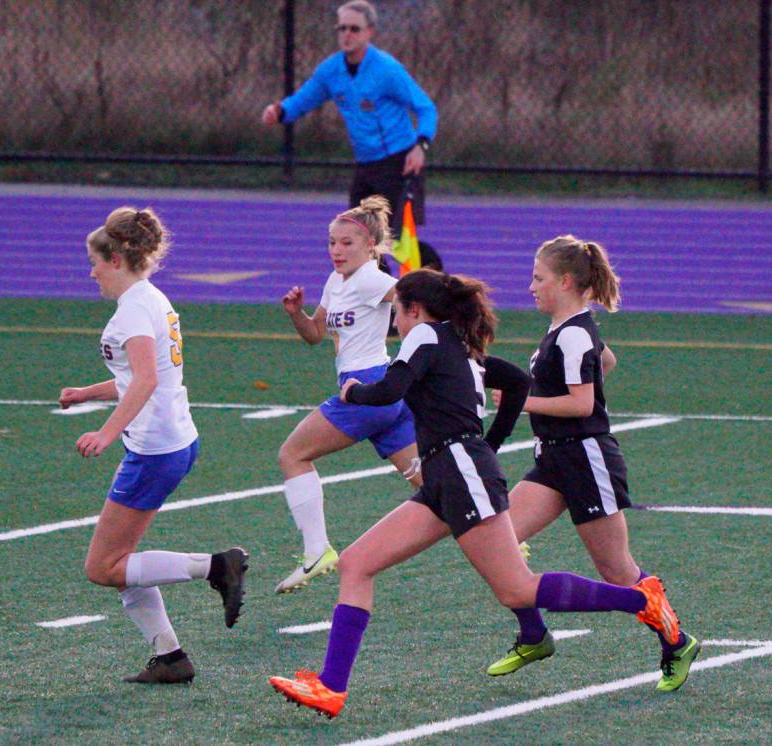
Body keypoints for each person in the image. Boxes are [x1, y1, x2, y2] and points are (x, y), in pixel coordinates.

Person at [268, 269, 683, 719]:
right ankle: (330, 687)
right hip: (448, 474)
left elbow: (390, 391)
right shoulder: (457, 344)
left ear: (415, 310)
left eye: (396, 312)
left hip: (460, 471)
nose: (394, 321)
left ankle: (641, 599)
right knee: (356, 563)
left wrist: (354, 391)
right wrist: (490, 444)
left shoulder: (424, 334)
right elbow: (517, 382)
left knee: (517, 589)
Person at [483, 235, 699, 692]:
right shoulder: (568, 330)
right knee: (497, 541)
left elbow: (582, 405)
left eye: (538, 278)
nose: (531, 287)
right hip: (554, 459)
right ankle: (534, 635)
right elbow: (606, 360)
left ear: (565, 281)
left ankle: (677, 642)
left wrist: (524, 402)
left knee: (617, 571)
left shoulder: (575, 332)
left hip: (586, 460)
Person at [60, 206, 248, 685]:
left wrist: (105, 432)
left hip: (155, 448)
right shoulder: (149, 298)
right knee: (123, 563)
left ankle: (217, 567)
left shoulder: (133, 311)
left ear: (116, 259)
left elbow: (144, 380)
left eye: (95, 263)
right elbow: (140, 376)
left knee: (103, 567)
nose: (92, 273)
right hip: (174, 439)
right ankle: (170, 657)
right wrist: (87, 393)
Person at [274, 196, 420, 594]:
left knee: (292, 455)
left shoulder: (371, 279)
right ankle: (502, 534)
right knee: (434, 488)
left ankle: (316, 551)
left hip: (366, 389)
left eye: (347, 243)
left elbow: (414, 298)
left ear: (371, 245)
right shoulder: (336, 281)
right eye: (332, 243)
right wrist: (297, 314)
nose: (336, 250)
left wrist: (428, 338)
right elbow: (315, 335)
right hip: (384, 397)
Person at [261, 0, 437, 237]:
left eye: (354, 29)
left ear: (369, 32)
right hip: (365, 164)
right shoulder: (331, 71)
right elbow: (303, 100)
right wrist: (280, 111)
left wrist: (420, 147)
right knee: (358, 238)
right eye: (342, 28)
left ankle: (421, 264)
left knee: (399, 242)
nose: (347, 34)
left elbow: (426, 108)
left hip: (398, 162)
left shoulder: (387, 70)